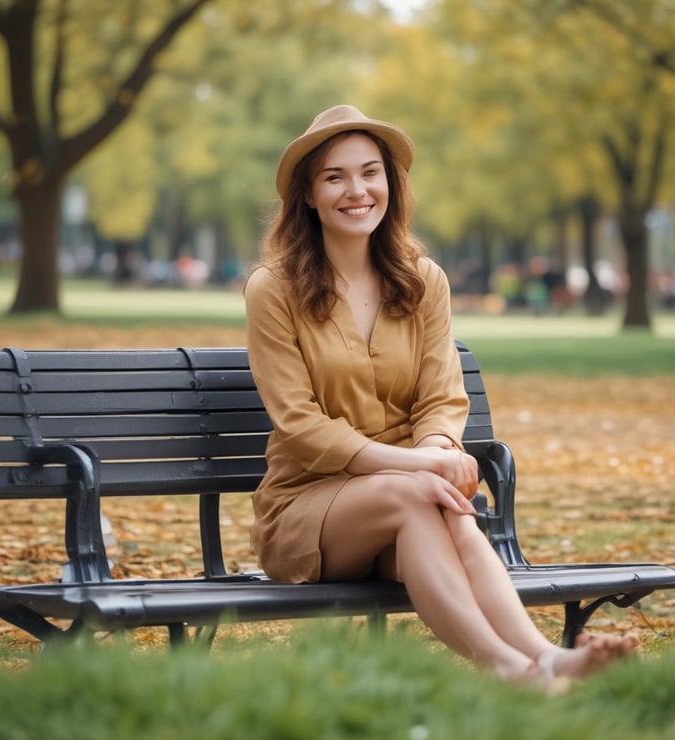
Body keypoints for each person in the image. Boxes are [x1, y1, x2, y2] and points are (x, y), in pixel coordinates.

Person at [243, 105, 637, 691]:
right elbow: (299, 424)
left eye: (370, 172)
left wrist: (434, 449)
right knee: (422, 494)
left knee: (439, 510)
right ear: (307, 193)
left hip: (408, 502)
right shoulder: (273, 289)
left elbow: (442, 398)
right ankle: (509, 668)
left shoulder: (424, 281)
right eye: (335, 177)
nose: (357, 190)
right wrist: (420, 464)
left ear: (391, 184)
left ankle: (542, 659)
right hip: (307, 510)